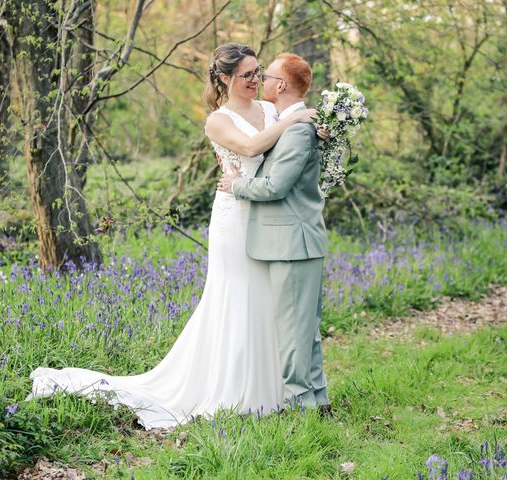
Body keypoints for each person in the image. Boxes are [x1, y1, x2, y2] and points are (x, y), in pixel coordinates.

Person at [28, 43, 324, 429]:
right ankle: (233, 391)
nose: (255, 80)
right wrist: (295, 121)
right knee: (236, 295)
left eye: (258, 72)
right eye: (246, 74)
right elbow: (252, 146)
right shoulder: (218, 120)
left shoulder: (269, 109)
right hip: (234, 216)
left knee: (268, 300)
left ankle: (274, 390)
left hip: (268, 216)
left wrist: (307, 129)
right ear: (224, 79)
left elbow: (284, 152)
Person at [218, 53, 331, 416]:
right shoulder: (286, 121)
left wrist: (237, 184)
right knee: (304, 329)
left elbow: (277, 185)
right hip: (290, 238)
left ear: (280, 85)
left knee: (295, 331)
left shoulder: (297, 128)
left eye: (265, 75)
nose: (261, 80)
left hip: (291, 241)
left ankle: (303, 405)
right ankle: (317, 402)